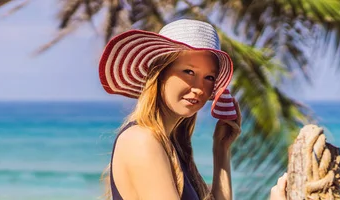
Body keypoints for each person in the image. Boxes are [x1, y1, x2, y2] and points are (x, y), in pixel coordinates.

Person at [98, 19, 288, 200]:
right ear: (159, 73)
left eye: (209, 77)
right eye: (189, 72)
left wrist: (221, 150)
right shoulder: (141, 140)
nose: (199, 88)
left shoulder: (173, 147)